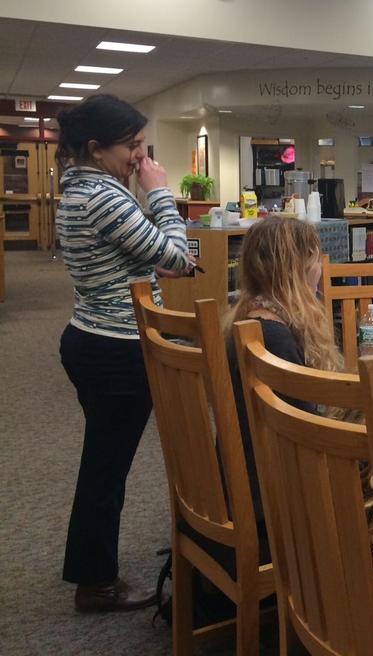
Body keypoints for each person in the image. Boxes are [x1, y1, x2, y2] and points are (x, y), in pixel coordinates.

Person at [55, 94, 192, 612]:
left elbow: (145, 260)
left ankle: (90, 569)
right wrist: (160, 194)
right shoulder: (105, 197)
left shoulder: (78, 189)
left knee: (102, 463)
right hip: (117, 349)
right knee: (106, 469)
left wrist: (151, 254)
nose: (140, 155)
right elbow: (178, 257)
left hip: (90, 337)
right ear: (97, 148)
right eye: (131, 145)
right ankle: (97, 584)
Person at [224, 217, 343, 526]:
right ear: (297, 269)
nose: (319, 269)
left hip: (242, 476)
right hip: (275, 497)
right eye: (315, 259)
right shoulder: (277, 339)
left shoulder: (247, 318)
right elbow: (305, 432)